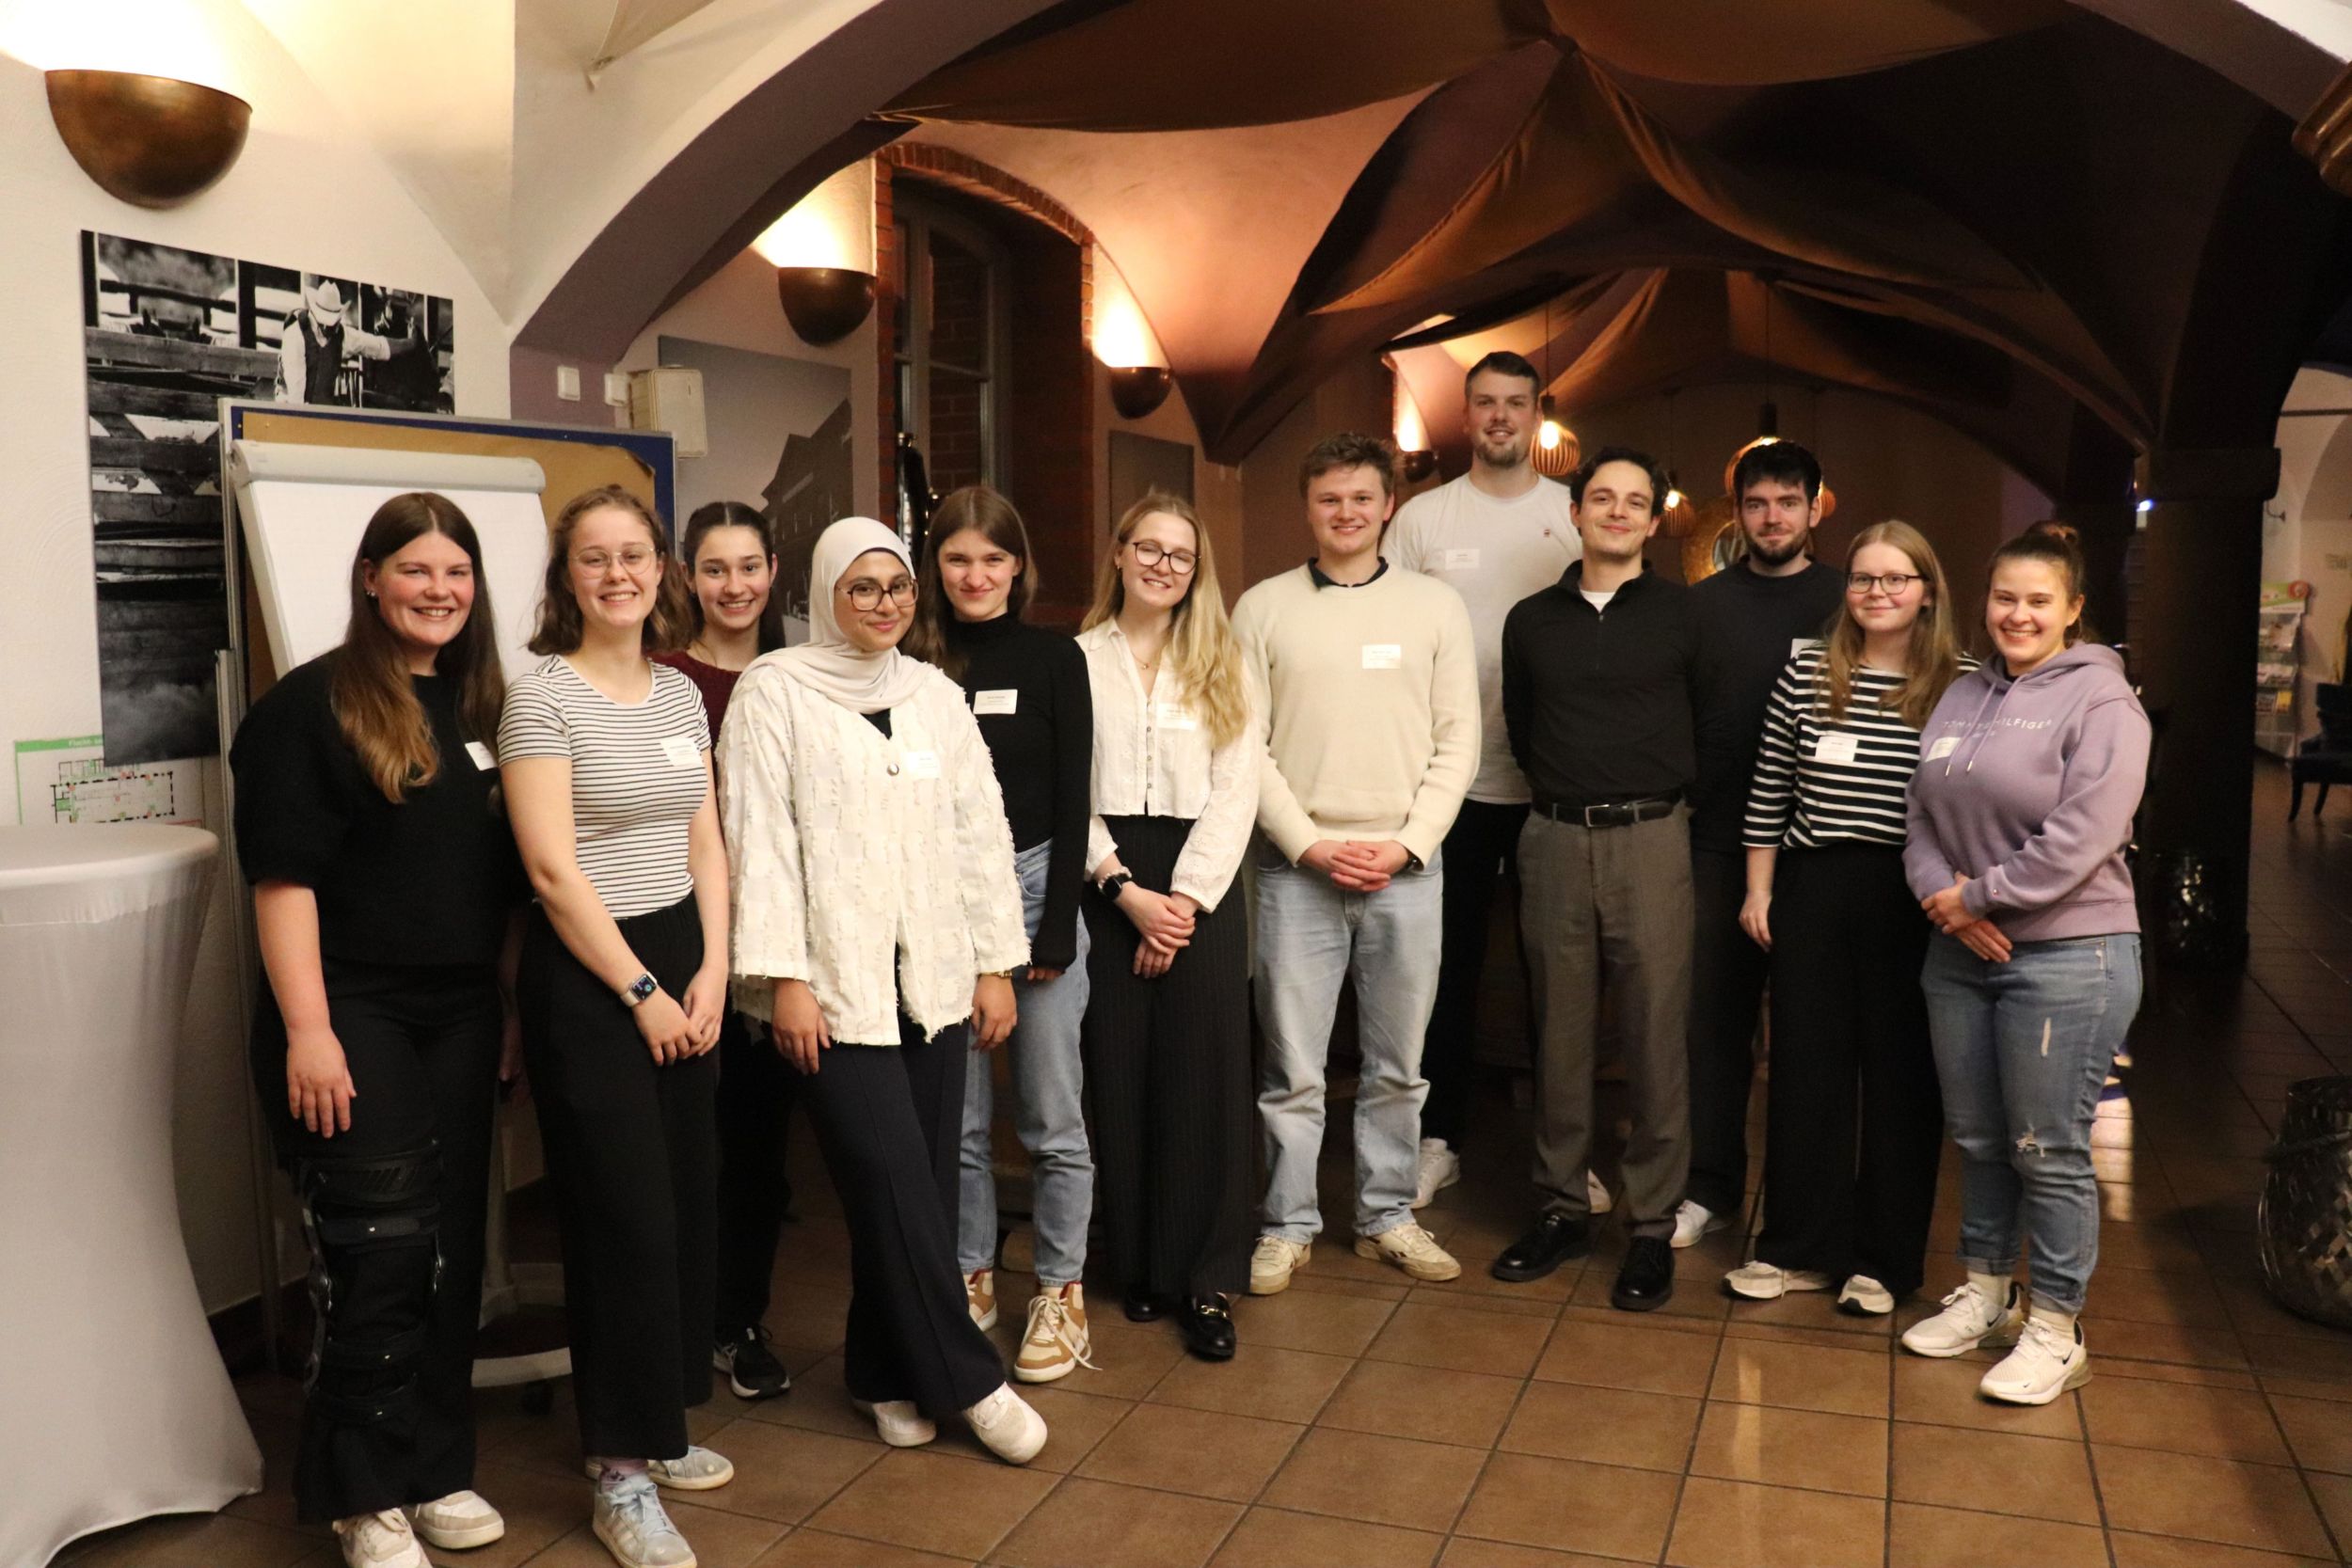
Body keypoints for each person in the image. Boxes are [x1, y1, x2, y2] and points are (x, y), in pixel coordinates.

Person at [721, 516, 1050, 1463]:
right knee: (888, 1175)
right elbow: (760, 844)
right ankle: (969, 1376)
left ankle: (880, 1368)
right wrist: (783, 978)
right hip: (832, 984)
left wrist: (995, 960)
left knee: (920, 1183)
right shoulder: (772, 691)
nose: (883, 604)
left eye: (897, 587)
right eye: (862, 587)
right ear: (826, 591)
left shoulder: (934, 693)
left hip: (937, 979)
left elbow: (980, 832)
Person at [232, 493, 520, 1568]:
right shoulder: (312, 708)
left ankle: (436, 1466)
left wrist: (503, 1014)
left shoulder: (490, 708)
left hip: (459, 1014)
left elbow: (502, 890)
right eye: (415, 570)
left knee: (448, 1251)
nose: (438, 590)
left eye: (457, 571)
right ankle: (362, 1491)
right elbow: (284, 880)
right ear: (369, 578)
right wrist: (309, 1030)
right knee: (380, 1247)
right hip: (349, 1012)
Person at [500, 484, 734, 1568]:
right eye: (594, 558)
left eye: (634, 554)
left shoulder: (682, 695)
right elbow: (551, 869)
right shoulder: (539, 698)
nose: (617, 574)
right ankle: (619, 1470)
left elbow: (705, 847)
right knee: (622, 1217)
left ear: (660, 568)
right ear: (567, 579)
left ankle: (661, 1418)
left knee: (683, 1201)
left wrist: (714, 972)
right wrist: (641, 992)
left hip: (684, 958)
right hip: (594, 978)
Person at [1899, 529, 2149, 1405]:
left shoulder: (2104, 703)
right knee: (1977, 1139)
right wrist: (1947, 900)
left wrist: (1981, 898)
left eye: (2039, 600)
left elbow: (2085, 835)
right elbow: (1919, 809)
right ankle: (1989, 1292)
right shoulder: (1964, 692)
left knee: (2047, 1147)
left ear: (2074, 609)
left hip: (2071, 955)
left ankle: (2057, 1325)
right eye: (2006, 596)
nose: (2019, 613)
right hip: (1960, 951)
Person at [1235, 433, 1479, 1292]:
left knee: (1398, 1065)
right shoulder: (1262, 607)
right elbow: (1245, 745)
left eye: (1362, 499)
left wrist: (1408, 842)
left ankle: (1386, 1215)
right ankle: (1287, 1223)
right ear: (1308, 507)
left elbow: (1459, 741)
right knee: (1294, 1069)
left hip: (1407, 871)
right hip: (1296, 871)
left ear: (1388, 508)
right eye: (1330, 498)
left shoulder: (1434, 607)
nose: (1346, 513)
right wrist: (1308, 841)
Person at [1727, 521, 1970, 1315]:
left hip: (1913, 893)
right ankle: (1798, 1247)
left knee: (1904, 1076)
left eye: (1896, 579)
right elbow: (1770, 785)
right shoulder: (1807, 665)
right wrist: (1759, 889)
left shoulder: (1961, 683)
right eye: (1864, 578)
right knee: (1806, 1066)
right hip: (1813, 885)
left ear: (1926, 589)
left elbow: (1973, 802)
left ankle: (1886, 1260)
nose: (1877, 592)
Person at [1494, 445, 1703, 1311]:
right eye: (1602, 498)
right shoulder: (1530, 620)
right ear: (1573, 513)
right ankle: (1561, 1206)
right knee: (1560, 1036)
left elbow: (1715, 727)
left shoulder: (1687, 617)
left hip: (1653, 837)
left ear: (1655, 521)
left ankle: (1650, 1227)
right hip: (1553, 834)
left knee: (1656, 1038)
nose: (1618, 512)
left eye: (1636, 501)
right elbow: (1520, 724)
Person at [1384, 350, 1586, 1212]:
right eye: (1485, 404)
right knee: (1445, 968)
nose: (1500, 416)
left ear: (1537, 414)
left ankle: (1565, 1152)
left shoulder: (1573, 516)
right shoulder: (1424, 519)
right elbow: (1384, 630)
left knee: (1560, 976)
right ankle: (1439, 1140)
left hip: (1550, 779)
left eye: (1516, 402)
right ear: (1464, 418)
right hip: (1447, 786)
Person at [905, 485, 1099, 1383]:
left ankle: (1060, 1289)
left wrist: (1054, 924)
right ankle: (972, 1267)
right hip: (939, 902)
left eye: (992, 558)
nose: (975, 575)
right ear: (933, 569)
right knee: (962, 1121)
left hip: (1036, 889)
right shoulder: (912, 660)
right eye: (956, 559)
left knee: (1051, 1115)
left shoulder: (1055, 657)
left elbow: (1071, 796)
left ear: (1018, 567)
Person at [1079, 491, 1259, 1359]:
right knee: (1118, 1073)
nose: (1162, 565)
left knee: (1203, 1080)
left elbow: (1239, 788)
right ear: (1119, 554)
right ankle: (1141, 1263)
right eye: (1147, 548)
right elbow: (1060, 793)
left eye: (1179, 556)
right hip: (1107, 880)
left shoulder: (1224, 660)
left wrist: (1181, 902)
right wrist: (1125, 891)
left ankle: (1205, 1279)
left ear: (1196, 572)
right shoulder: (1073, 661)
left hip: (1204, 889)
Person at [1678, 438, 1848, 1249]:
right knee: (1713, 1025)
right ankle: (1708, 1185)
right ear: (1737, 511)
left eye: (1788, 501)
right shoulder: (1702, 606)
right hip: (1716, 844)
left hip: (1820, 847)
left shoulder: (1853, 599)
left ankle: (1801, 1204)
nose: (1772, 516)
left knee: (1814, 1034)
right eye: (1757, 503)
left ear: (1816, 508)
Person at [651, 501, 796, 1403]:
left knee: (758, 1151)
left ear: (774, 571)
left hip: (779, 949)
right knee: (683, 1149)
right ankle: (673, 1325)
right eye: (715, 568)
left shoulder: (802, 675)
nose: (734, 586)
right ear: (687, 576)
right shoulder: (663, 679)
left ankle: (738, 1320)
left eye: (749, 567)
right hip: (685, 946)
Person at [276, 277, 404, 405]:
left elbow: (376, 346)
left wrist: (409, 343)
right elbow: (296, 393)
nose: (332, 327)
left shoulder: (341, 334)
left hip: (322, 408)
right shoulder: (295, 335)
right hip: (290, 406)